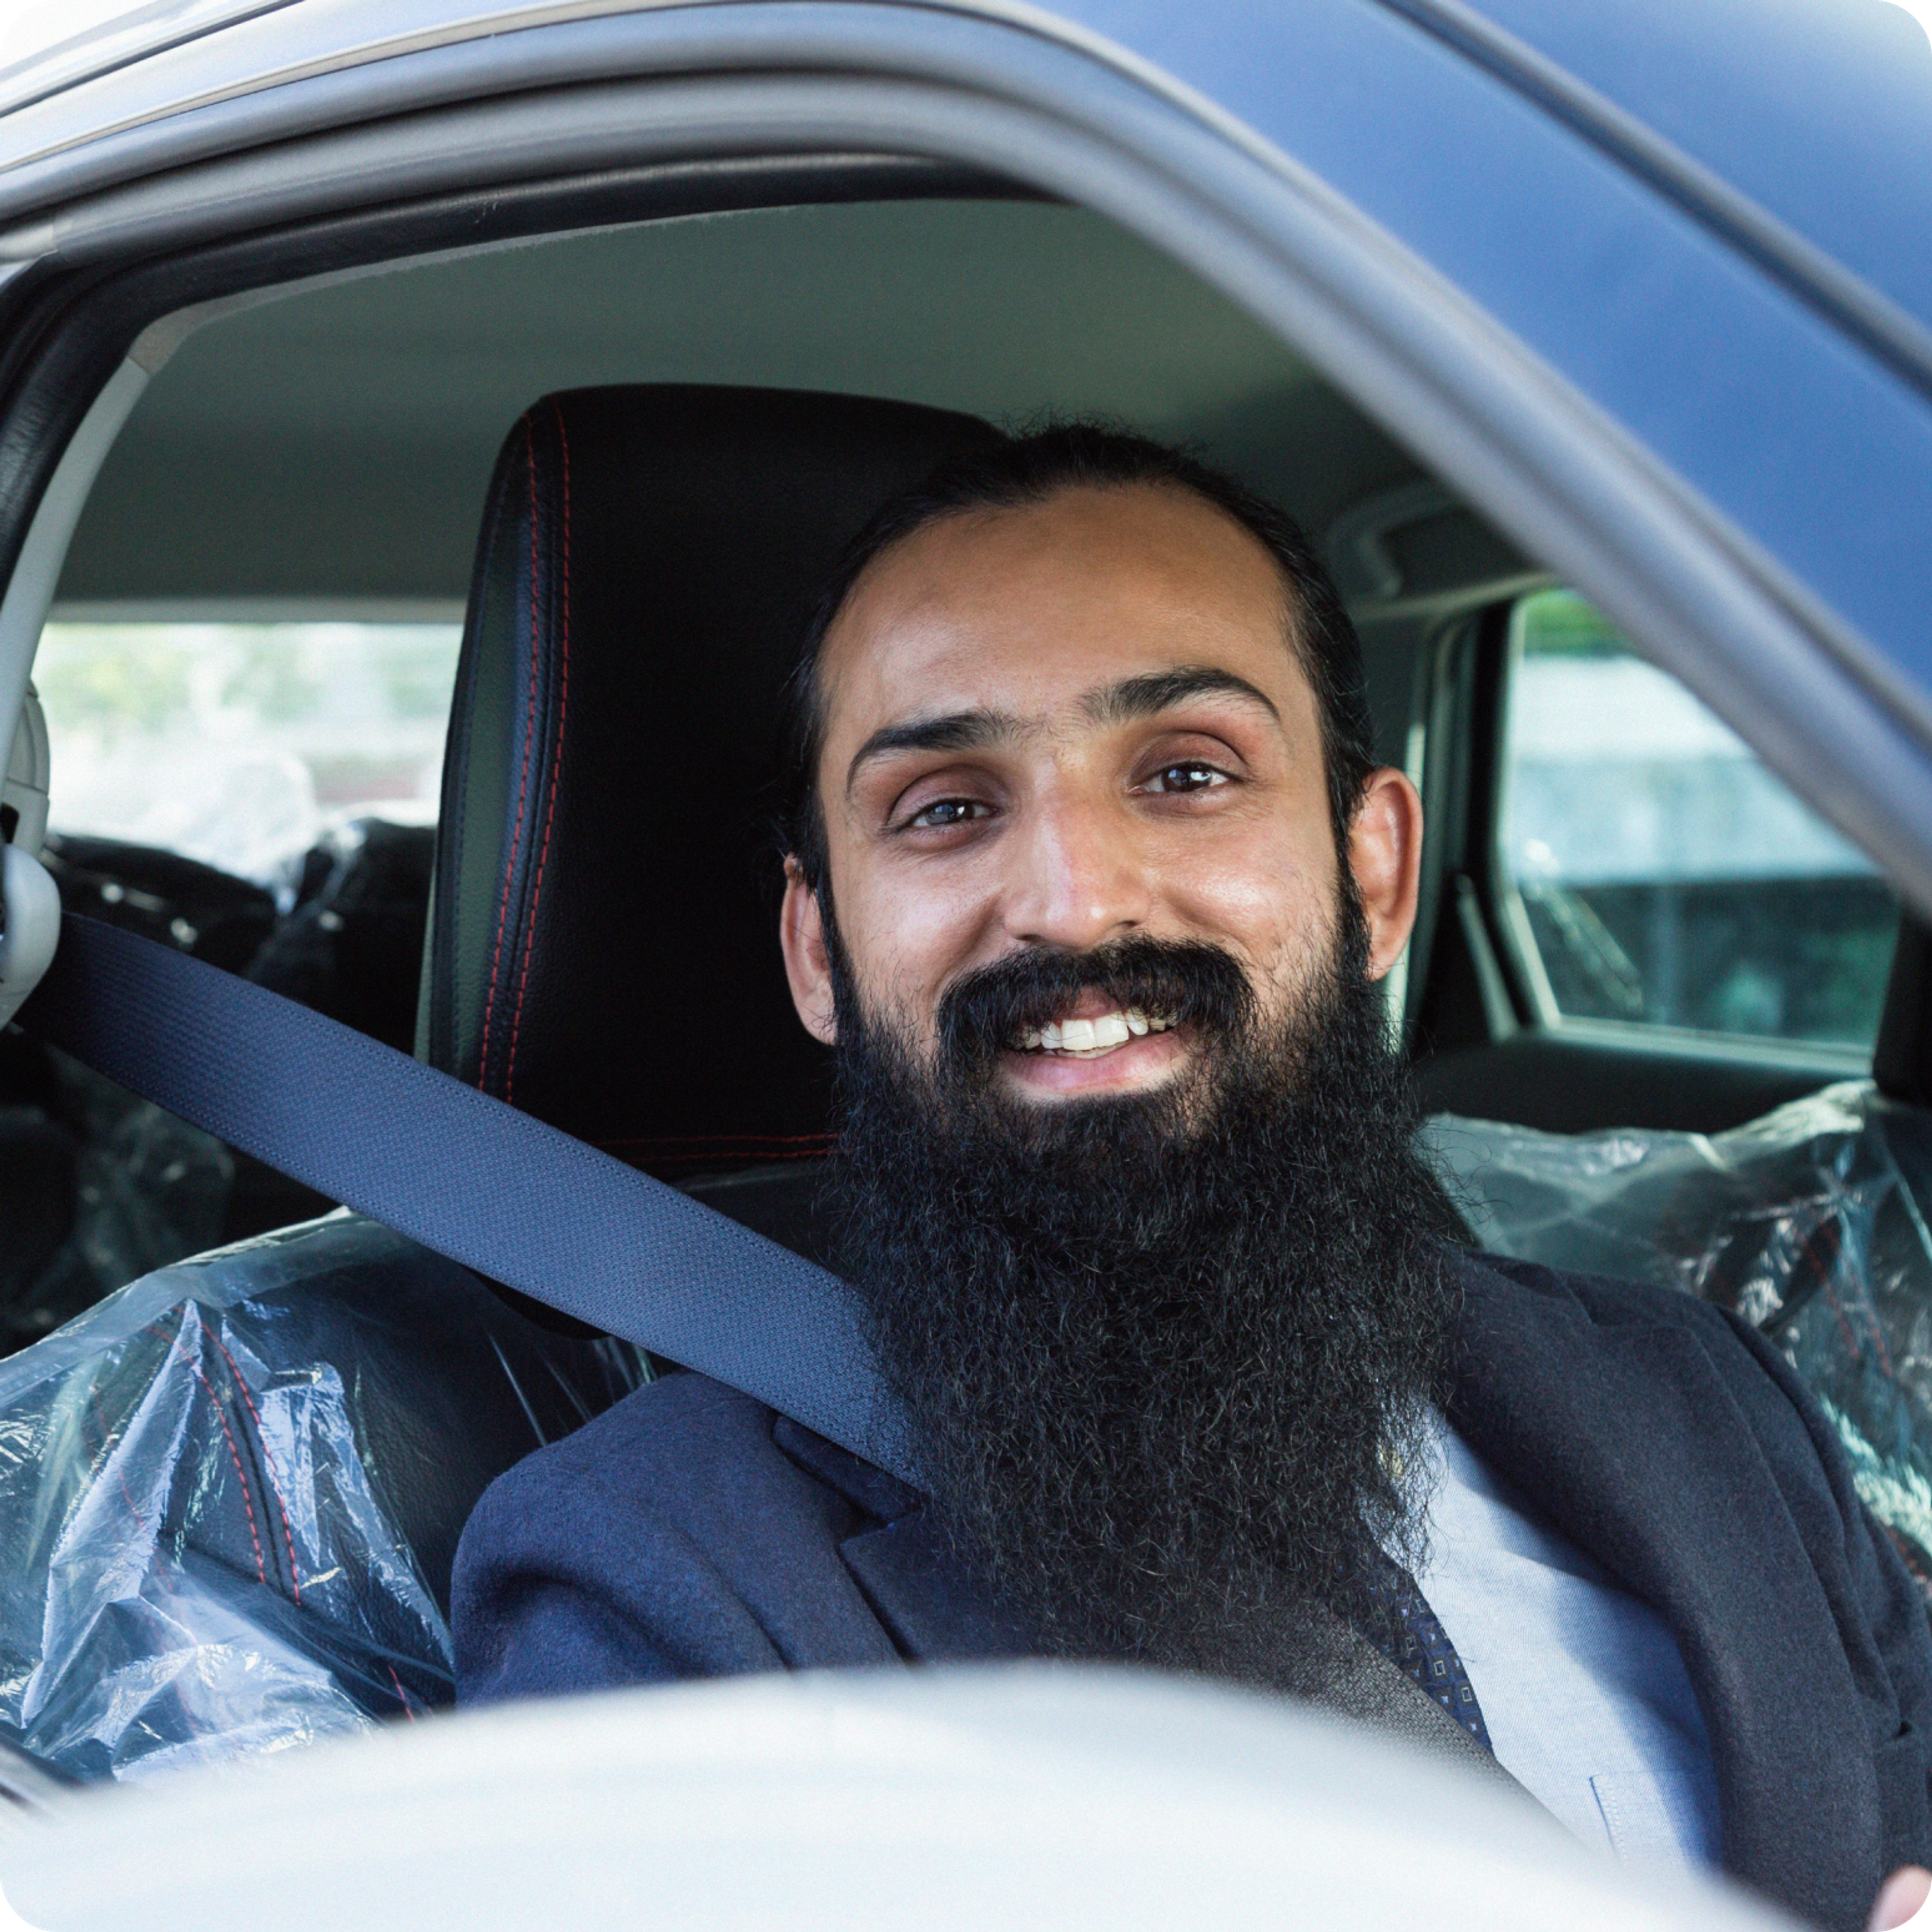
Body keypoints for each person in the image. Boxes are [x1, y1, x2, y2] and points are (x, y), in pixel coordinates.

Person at [452, 427, 1931, 1932]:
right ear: (820, 951)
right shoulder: (654, 1585)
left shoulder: (1706, 1398)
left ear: (1374, 879)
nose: (1075, 902)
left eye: (1184, 772)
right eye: (949, 807)